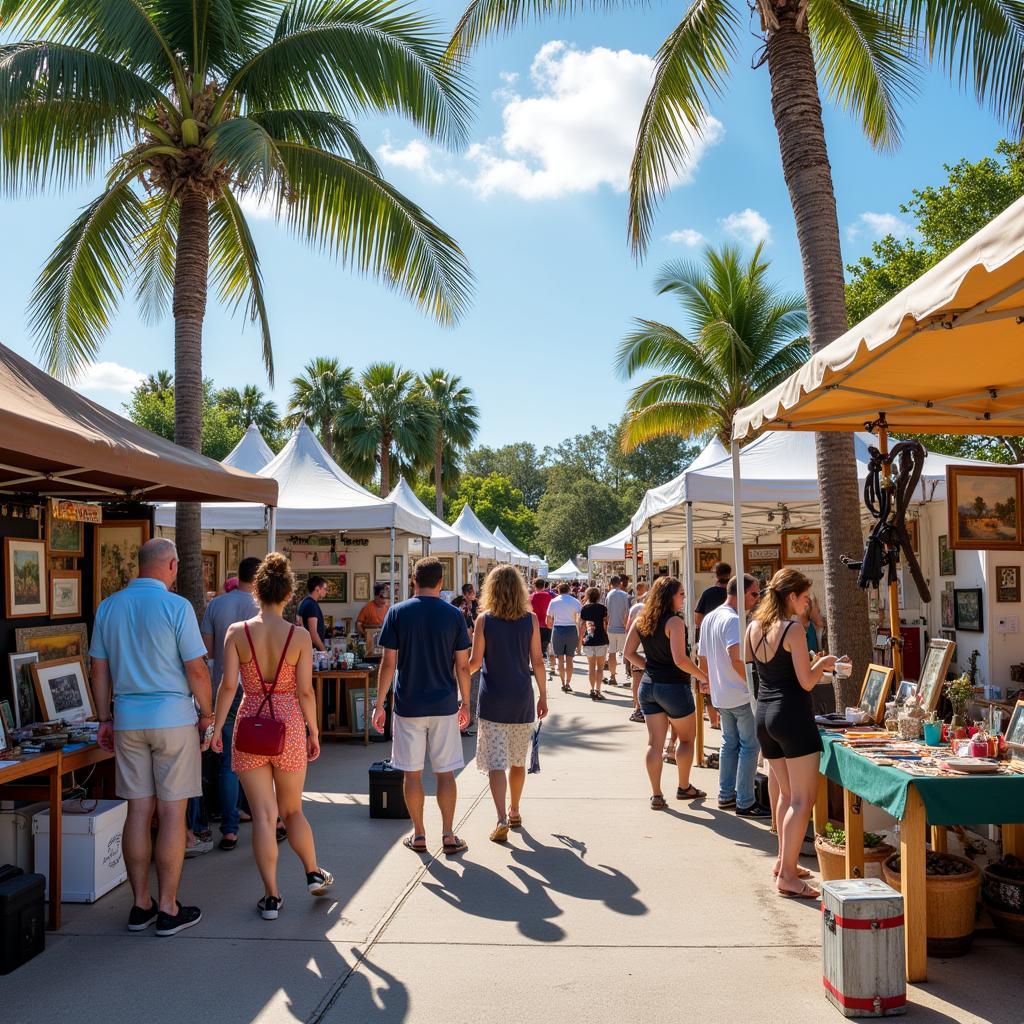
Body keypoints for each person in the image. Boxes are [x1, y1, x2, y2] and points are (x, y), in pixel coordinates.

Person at [89, 538, 212, 937]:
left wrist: (104, 717)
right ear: (173, 566)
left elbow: (99, 670)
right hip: (173, 717)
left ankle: (140, 903)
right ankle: (168, 906)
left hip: (127, 718)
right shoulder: (177, 607)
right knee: (173, 813)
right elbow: (196, 669)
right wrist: (207, 713)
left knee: (138, 812)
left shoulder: (109, 607)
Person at [212, 554, 333, 920]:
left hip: (250, 722)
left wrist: (216, 728)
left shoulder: (237, 633)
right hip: (289, 724)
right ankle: (312, 871)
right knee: (292, 809)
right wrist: (313, 730)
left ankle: (271, 897)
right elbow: (306, 692)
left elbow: (229, 685)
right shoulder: (298, 636)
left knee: (264, 816)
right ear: (288, 594)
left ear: (257, 592)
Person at [745, 568, 842, 899]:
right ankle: (787, 874)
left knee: (787, 796)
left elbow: (754, 665)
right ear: (790, 597)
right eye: (803, 598)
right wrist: (824, 662)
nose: (806, 604)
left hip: (765, 717)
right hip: (792, 717)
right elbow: (806, 681)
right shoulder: (794, 630)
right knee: (803, 800)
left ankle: (782, 862)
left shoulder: (754, 626)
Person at [371, 558, 473, 856]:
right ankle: (449, 834)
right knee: (445, 773)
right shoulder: (454, 615)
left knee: (411, 774)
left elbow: (388, 662)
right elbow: (463, 667)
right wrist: (466, 703)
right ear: (441, 583)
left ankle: (418, 834)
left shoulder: (397, 613)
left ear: (413, 580)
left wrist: (379, 704)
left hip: (408, 704)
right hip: (443, 704)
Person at [468, 565, 548, 842]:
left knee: (496, 764)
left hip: (493, 699)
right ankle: (515, 810)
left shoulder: (484, 620)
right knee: (517, 761)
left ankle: (501, 816)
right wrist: (544, 696)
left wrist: (457, 671)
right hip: (521, 697)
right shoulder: (531, 620)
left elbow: (476, 663)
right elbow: (537, 661)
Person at [624, 576, 709, 810]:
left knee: (654, 743)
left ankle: (656, 794)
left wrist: (650, 667)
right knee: (686, 739)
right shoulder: (674, 622)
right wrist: (703, 676)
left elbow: (628, 653)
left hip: (649, 686)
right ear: (669, 596)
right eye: (681, 594)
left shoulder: (641, 620)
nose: (683, 598)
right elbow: (680, 660)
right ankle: (684, 786)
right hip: (673, 687)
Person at [200, 556, 261, 851]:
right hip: (255, 690)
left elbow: (208, 651)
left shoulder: (216, 605)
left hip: (223, 687)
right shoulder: (263, 606)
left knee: (227, 762)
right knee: (261, 756)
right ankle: (270, 822)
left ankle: (230, 829)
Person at [699, 575, 771, 818]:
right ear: (740, 593)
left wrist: (706, 681)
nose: (757, 599)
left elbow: (704, 657)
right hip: (739, 693)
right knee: (749, 747)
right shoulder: (733, 620)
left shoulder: (710, 617)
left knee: (729, 744)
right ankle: (744, 800)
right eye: (754, 594)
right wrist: (752, 687)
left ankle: (726, 794)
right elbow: (736, 658)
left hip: (721, 693)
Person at [546, 583, 582, 694]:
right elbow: (579, 618)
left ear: (558, 590)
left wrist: (551, 627)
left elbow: (548, 619)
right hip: (571, 629)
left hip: (558, 629)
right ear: (569, 590)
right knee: (570, 659)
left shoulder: (554, 601)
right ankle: (568, 682)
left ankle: (562, 682)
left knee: (560, 658)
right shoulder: (575, 601)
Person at [580, 587, 610, 701]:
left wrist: (581, 639)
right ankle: (598, 690)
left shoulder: (584, 608)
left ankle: (592, 689)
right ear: (598, 596)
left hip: (588, 639)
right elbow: (606, 623)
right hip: (601, 639)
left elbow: (582, 625)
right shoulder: (603, 608)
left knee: (591, 667)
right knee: (600, 668)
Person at [625, 582, 648, 722]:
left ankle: (638, 708)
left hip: (636, 649)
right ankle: (640, 708)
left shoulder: (635, 608)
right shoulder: (645, 611)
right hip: (642, 649)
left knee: (637, 679)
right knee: (639, 679)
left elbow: (627, 626)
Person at [604, 575, 630, 687]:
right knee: (628, 653)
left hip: (611, 627)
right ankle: (628, 675)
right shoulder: (625, 595)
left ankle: (612, 676)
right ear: (620, 583)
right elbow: (627, 613)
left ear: (610, 584)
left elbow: (606, 613)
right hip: (622, 628)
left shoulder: (608, 595)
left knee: (612, 652)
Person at [529, 578, 556, 679]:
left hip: (534, 625)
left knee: (534, 648)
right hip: (548, 625)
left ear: (534, 585)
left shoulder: (530, 597)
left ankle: (535, 667)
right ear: (544, 586)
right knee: (550, 646)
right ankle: (553, 666)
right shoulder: (550, 597)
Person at [297, 576, 328, 652]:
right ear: (317, 588)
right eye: (325, 588)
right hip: (312, 651)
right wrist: (324, 651)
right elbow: (313, 634)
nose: (327, 591)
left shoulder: (306, 601)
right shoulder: (311, 605)